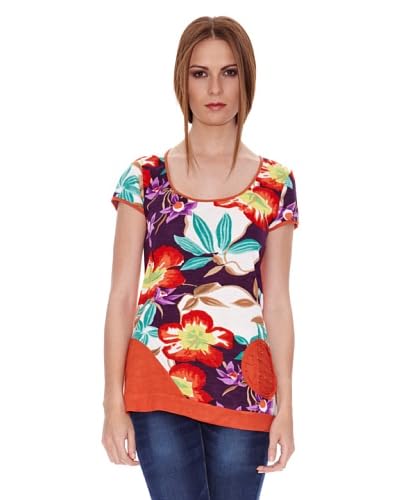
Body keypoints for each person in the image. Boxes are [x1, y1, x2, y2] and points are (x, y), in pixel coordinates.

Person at [102, 15, 299, 500]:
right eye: (200, 73)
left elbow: (277, 302)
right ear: (182, 82)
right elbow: (123, 294)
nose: (215, 88)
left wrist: (287, 406)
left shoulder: (275, 184)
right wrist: (111, 402)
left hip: (244, 383)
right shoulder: (144, 178)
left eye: (229, 72)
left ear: (247, 80)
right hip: (156, 377)